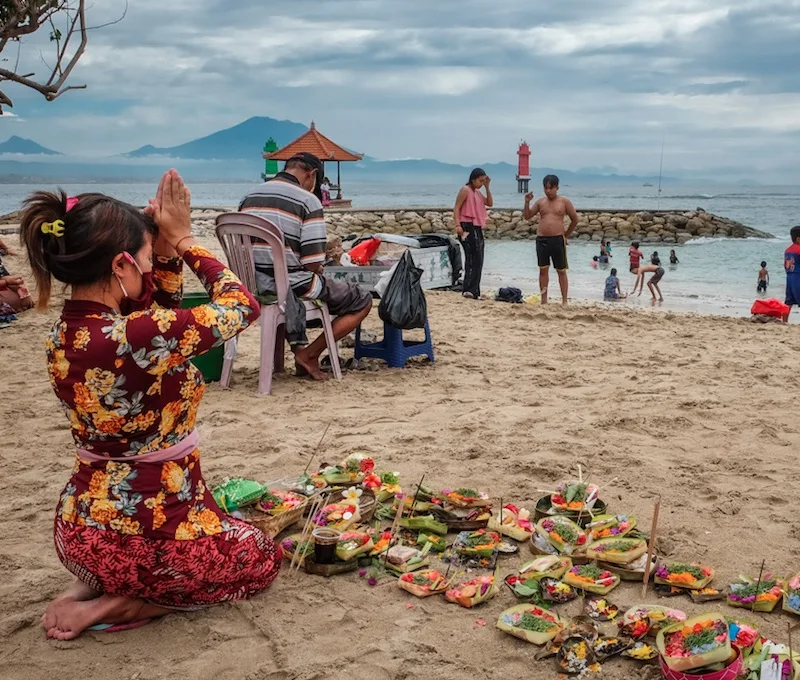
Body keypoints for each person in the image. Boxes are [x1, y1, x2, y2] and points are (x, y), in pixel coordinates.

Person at [22, 170, 280, 641]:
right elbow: (243, 305)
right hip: (148, 533)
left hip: (77, 532)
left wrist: (157, 251)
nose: (148, 265)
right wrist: (183, 240)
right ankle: (134, 601)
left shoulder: (68, 335)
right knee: (261, 557)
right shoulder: (138, 335)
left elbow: (154, 321)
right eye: (141, 259)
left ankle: (96, 582)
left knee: (215, 522)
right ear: (121, 267)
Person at [239, 152, 372, 380]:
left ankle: (299, 351)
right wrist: (317, 266)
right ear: (312, 174)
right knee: (361, 299)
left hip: (252, 284)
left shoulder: (248, 197)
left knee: (299, 282)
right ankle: (310, 354)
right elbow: (311, 264)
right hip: (291, 286)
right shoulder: (307, 201)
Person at [523, 174, 578, 304]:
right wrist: (527, 202)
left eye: (551, 188)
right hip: (542, 239)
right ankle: (544, 300)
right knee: (543, 270)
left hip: (558, 239)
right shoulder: (540, 202)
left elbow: (575, 219)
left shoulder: (564, 202)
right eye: (546, 188)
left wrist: (566, 235)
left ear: (557, 188)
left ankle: (564, 300)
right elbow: (527, 216)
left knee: (561, 271)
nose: (548, 191)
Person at [453, 167, 493, 299]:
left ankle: (475, 290)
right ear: (473, 179)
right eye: (480, 181)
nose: (481, 183)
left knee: (479, 257)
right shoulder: (466, 190)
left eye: (483, 181)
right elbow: (457, 207)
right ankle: (468, 289)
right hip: (466, 226)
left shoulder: (477, 192)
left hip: (476, 226)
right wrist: (458, 225)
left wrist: (487, 187)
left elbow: (490, 203)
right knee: (471, 256)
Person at [784, 226, 800, 314]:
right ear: (798, 239)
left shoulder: (787, 250)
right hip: (798, 276)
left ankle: (784, 321)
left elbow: (785, 266)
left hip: (789, 277)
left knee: (788, 302)